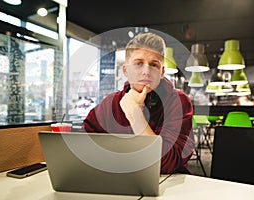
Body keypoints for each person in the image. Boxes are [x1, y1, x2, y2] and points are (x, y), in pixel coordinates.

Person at [82, 32, 194, 174]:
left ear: (162, 72)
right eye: (138, 63)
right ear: (126, 70)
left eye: (154, 65)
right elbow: (83, 144)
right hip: (117, 180)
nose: (146, 71)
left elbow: (167, 164)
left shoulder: (179, 102)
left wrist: (134, 114)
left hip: (167, 185)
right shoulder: (110, 103)